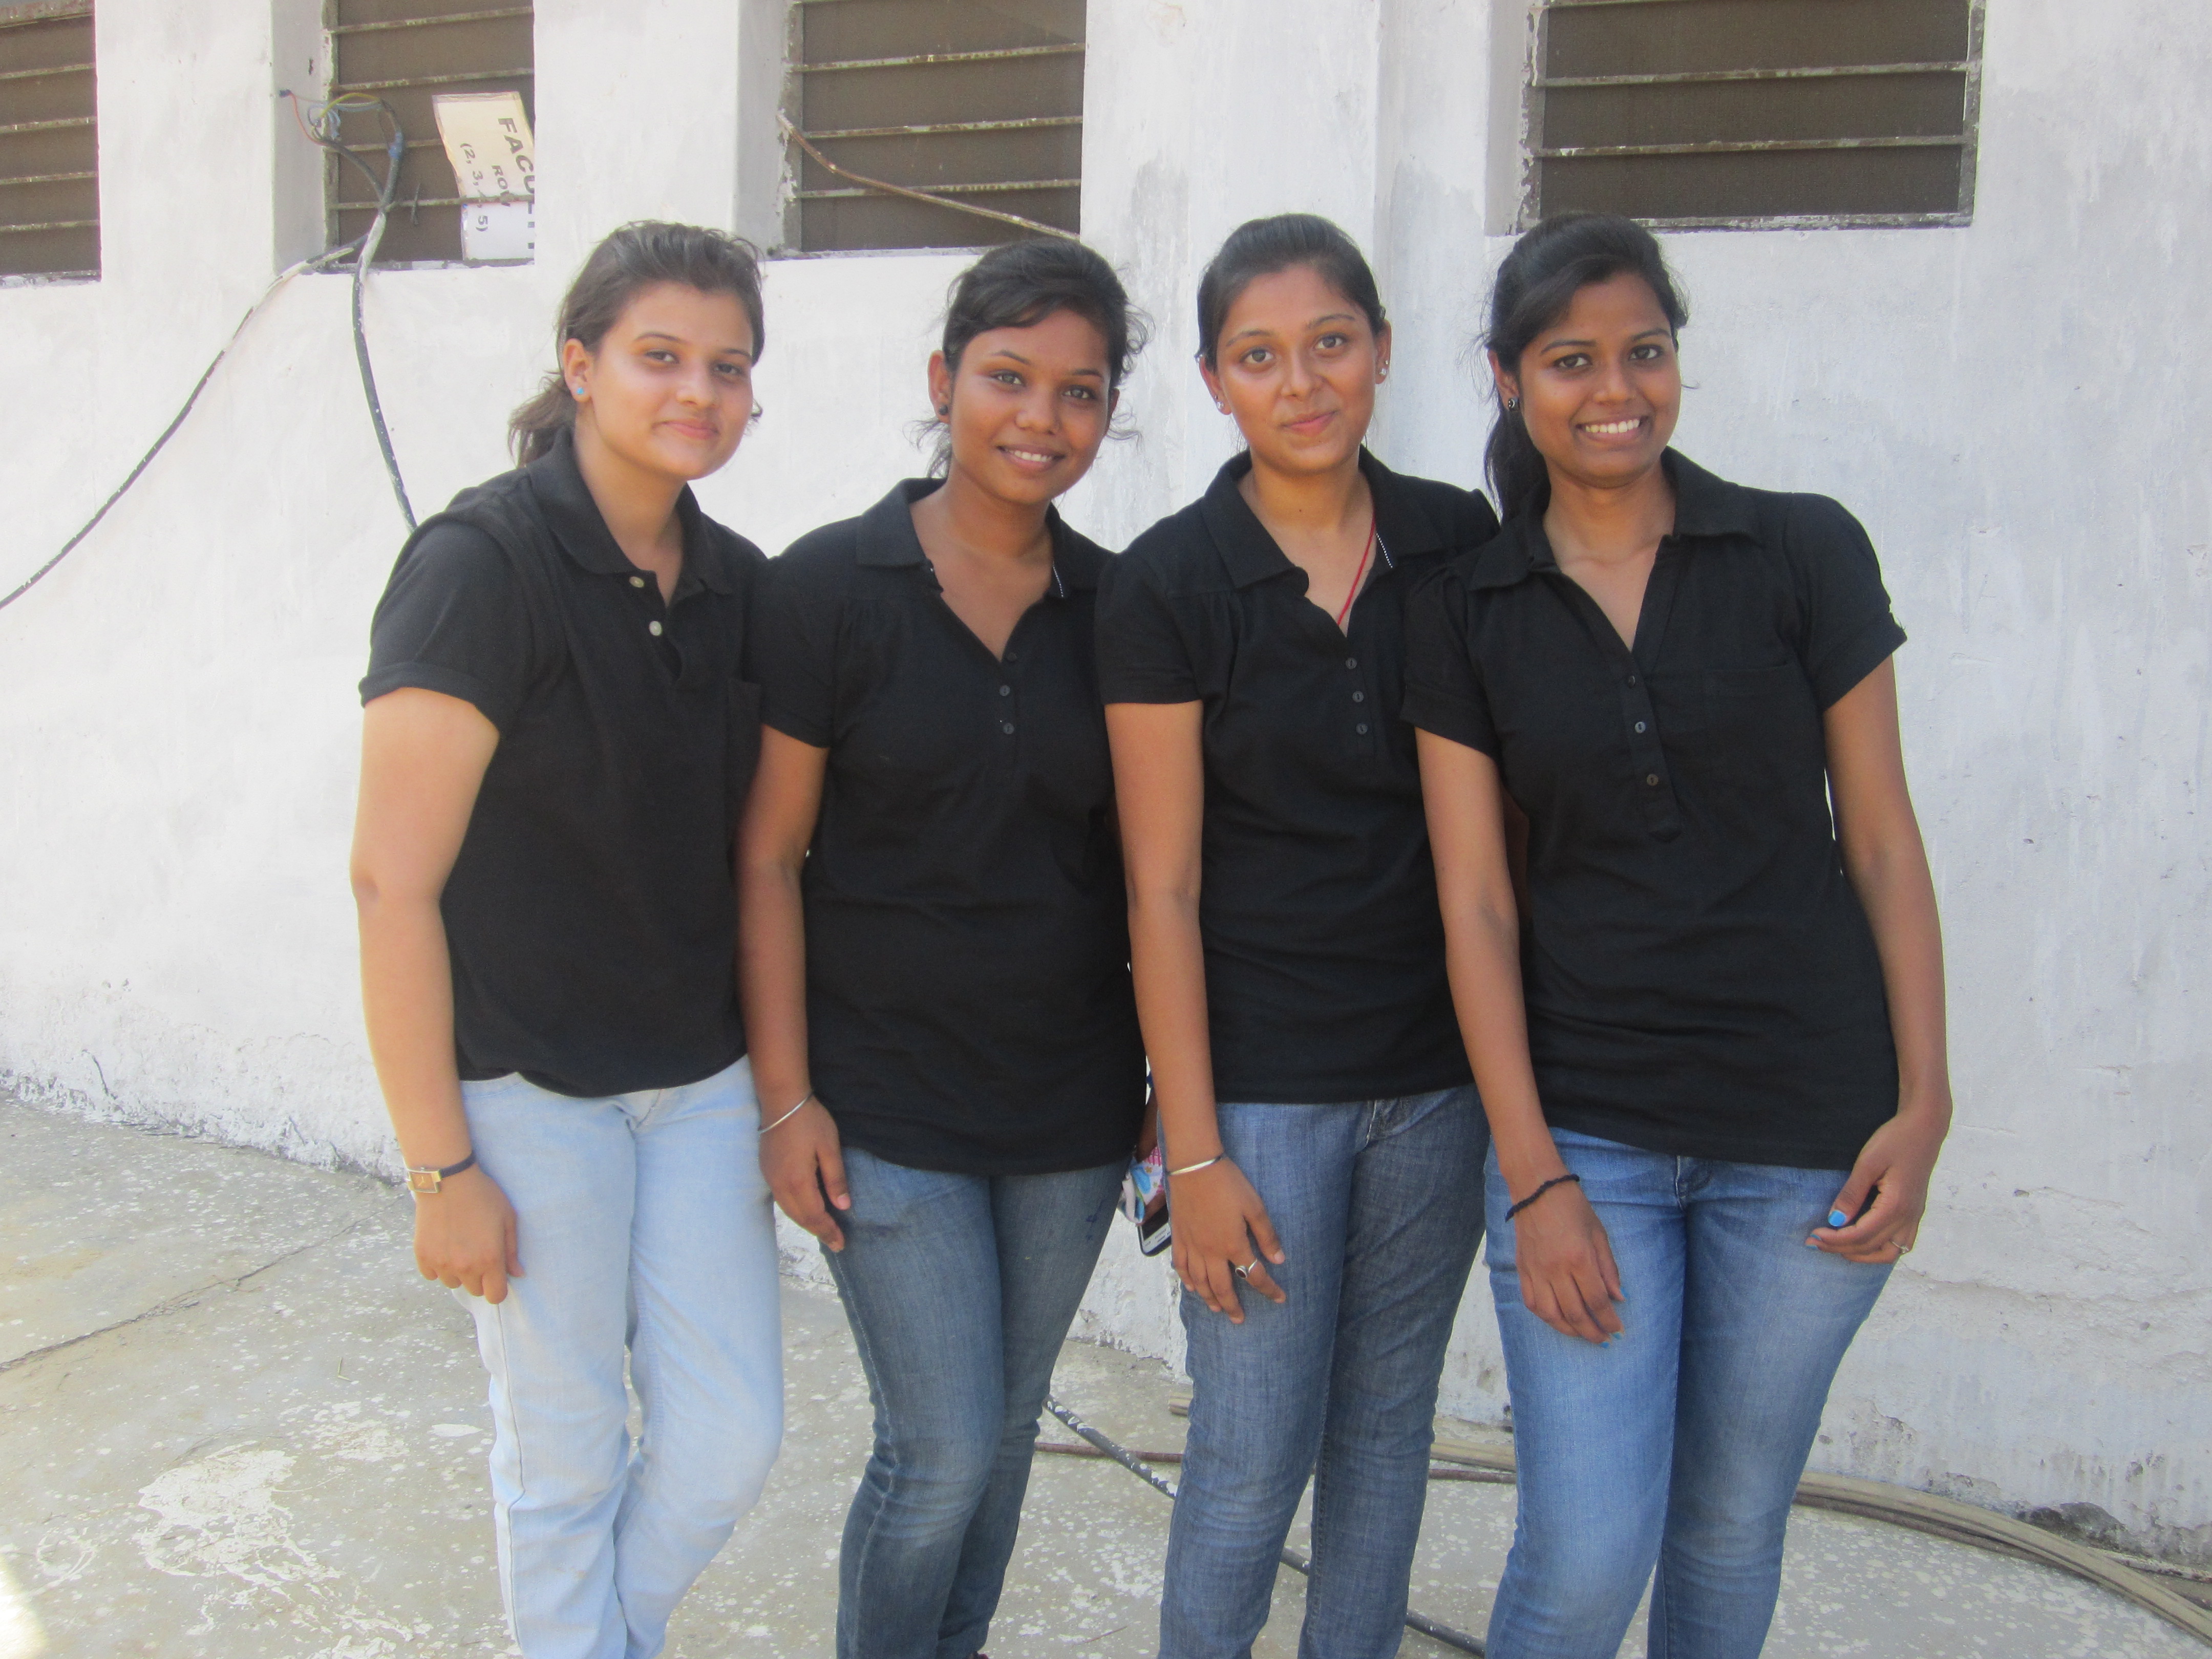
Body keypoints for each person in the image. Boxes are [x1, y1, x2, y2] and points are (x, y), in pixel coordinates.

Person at [1406, 212, 1953, 1659]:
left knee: (1726, 1528)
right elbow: (1476, 904)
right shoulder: (1467, 607)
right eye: (1571, 360)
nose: (1616, 390)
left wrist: (1925, 1103)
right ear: (1508, 377)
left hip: (1810, 1137)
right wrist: (1533, 1176)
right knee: (1588, 1554)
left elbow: (1882, 840)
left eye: (1643, 352)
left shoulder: (1801, 548)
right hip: (1590, 1136)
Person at [349, 222, 780, 1659]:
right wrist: (441, 1170)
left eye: (729, 366)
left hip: (698, 1085)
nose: (698, 391)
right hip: (528, 1095)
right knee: (566, 1454)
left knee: (728, 1441)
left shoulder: (739, 585)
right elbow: (390, 886)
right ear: (581, 365)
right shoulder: (482, 566)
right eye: (661, 356)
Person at [738, 238, 1150, 1659]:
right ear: (943, 382)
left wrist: (1174, 1091)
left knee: (1009, 1434)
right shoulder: (826, 590)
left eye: (1081, 391)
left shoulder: (1120, 609)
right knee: (941, 1450)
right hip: (885, 1101)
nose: (1042, 418)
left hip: (1070, 1108)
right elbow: (767, 859)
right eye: (1008, 378)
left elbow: (1151, 876)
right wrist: (785, 1100)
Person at [1097, 212, 1497, 1659]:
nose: (1302, 382)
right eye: (1258, 356)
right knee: (1253, 1450)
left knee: (1387, 1436)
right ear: (1215, 383)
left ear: (1380, 348)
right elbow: (1161, 890)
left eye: (1331, 343)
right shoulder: (1170, 582)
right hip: (1262, 1101)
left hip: (1437, 1085)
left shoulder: (1456, 544)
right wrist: (1194, 1153)